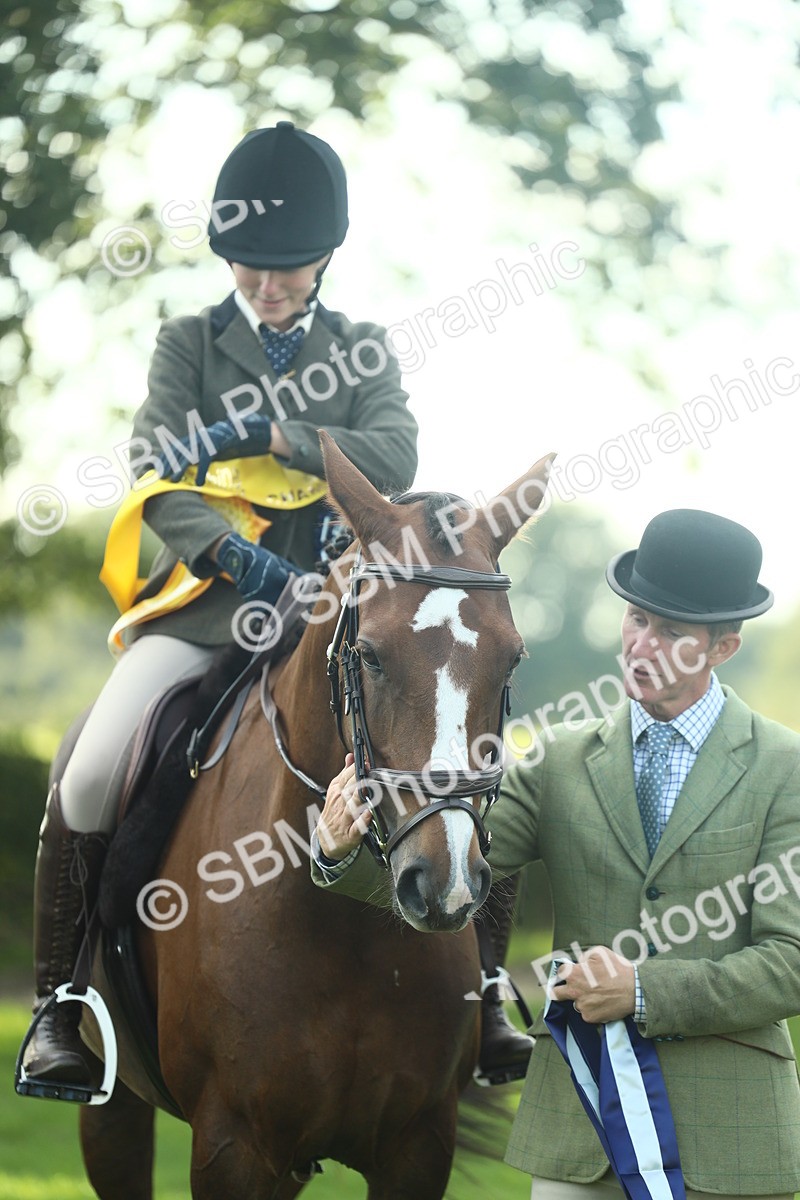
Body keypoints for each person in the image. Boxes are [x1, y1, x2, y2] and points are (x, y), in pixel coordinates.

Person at [20, 120, 418, 1090]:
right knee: (87, 775)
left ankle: (480, 991)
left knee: (458, 746)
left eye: (285, 270)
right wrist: (245, 562)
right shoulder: (186, 342)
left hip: (335, 618)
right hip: (207, 611)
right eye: (247, 266)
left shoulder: (361, 350)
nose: (265, 286)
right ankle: (60, 1009)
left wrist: (280, 434)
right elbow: (159, 465)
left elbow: (396, 459)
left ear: (326, 257)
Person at [312, 507, 800, 1198]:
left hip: (735, 1142)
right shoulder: (557, 759)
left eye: (672, 632)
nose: (642, 645)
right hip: (580, 1137)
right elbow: (456, 886)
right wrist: (339, 852)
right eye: (637, 621)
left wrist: (643, 992)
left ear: (723, 648)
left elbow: (792, 962)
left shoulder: (786, 768)